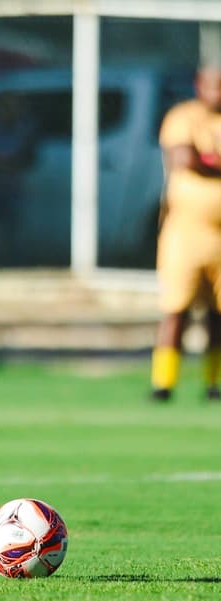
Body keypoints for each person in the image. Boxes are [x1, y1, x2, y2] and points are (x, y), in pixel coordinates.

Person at [151, 64, 221, 402]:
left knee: (218, 315)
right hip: (186, 232)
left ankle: (213, 383)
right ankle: (163, 383)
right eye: (213, 85)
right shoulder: (183, 117)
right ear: (199, 86)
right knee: (176, 308)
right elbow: (186, 159)